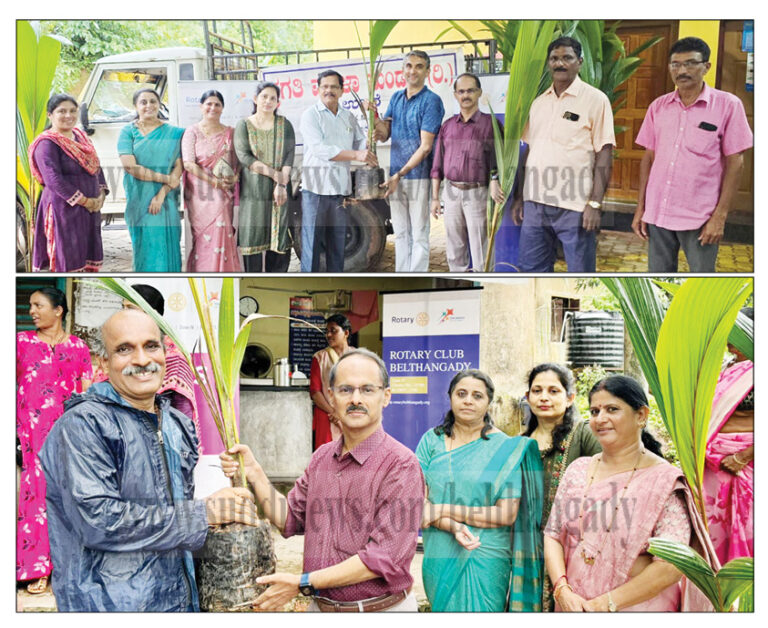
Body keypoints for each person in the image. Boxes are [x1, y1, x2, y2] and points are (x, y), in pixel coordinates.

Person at [39, 309, 257, 611]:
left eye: (151, 346)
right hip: (109, 604)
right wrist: (202, 514)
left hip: (178, 599)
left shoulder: (177, 423)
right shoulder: (83, 425)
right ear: (103, 362)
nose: (142, 360)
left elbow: (172, 509)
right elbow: (99, 523)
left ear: (165, 352)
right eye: (124, 349)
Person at [220, 348, 424, 612]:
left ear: (386, 396)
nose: (356, 399)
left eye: (367, 390)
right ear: (331, 396)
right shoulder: (322, 457)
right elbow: (288, 518)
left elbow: (382, 558)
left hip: (377, 611)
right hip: (320, 608)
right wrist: (256, 473)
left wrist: (303, 583)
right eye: (345, 390)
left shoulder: (401, 465)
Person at [544, 375, 717, 611]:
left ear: (641, 416)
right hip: (573, 605)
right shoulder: (579, 469)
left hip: (638, 608)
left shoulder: (664, 480)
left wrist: (604, 604)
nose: (600, 419)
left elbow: (671, 565)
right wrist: (562, 590)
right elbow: (553, 534)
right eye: (594, 411)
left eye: (612, 409)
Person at [417, 370, 543, 612]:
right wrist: (451, 525)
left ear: (488, 403)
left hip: (485, 553)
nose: (468, 401)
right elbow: (418, 505)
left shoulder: (505, 449)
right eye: (461, 394)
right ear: (450, 397)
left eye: (477, 396)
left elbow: (505, 514)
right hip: (440, 551)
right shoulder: (430, 441)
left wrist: (441, 509)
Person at [632, 37, 753, 272]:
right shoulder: (658, 106)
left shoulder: (728, 105)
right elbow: (648, 158)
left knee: (702, 281)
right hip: (659, 213)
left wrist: (720, 216)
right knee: (658, 279)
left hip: (700, 217)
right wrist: (641, 208)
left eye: (690, 63)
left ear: (706, 67)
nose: (682, 70)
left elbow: (736, 163)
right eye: (675, 64)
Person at [513, 36, 615, 272]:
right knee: (531, 270)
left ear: (579, 62)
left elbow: (605, 151)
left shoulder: (595, 100)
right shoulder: (538, 103)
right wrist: (520, 196)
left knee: (580, 271)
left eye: (567, 58)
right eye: (554, 59)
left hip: (575, 205)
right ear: (549, 63)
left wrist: (595, 203)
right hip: (535, 203)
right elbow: (529, 149)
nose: (560, 63)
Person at [17, 287, 93, 594]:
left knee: (69, 500)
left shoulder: (78, 347)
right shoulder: (20, 343)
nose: (32, 311)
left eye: (38, 305)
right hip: (33, 437)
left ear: (58, 310)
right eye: (30, 305)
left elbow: (86, 393)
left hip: (69, 437)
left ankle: (69, 567)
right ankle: (37, 569)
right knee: (35, 498)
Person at [522, 363, 601, 610]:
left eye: (553, 391)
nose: (544, 397)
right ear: (528, 397)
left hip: (574, 546)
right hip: (528, 547)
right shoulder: (520, 443)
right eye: (537, 391)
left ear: (570, 398)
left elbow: (612, 480)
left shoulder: (584, 433)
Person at [372, 50, 445, 272]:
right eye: (409, 66)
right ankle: (402, 274)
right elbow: (384, 134)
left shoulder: (431, 101)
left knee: (419, 233)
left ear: (427, 71)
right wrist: (374, 116)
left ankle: (417, 275)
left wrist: (399, 174)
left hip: (417, 177)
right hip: (397, 176)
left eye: (419, 66)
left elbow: (426, 147)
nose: (413, 70)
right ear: (403, 70)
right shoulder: (396, 97)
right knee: (401, 233)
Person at [300, 70, 376, 272]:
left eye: (334, 87)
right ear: (318, 90)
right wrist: (355, 155)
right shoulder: (310, 116)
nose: (329, 90)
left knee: (337, 246)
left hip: (339, 191)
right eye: (325, 86)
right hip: (315, 190)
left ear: (341, 91)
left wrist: (371, 121)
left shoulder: (348, 117)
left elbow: (361, 143)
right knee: (312, 246)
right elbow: (320, 149)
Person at [430, 74, 505, 272]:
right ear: (455, 95)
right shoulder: (447, 126)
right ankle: (459, 283)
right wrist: (435, 197)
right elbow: (437, 164)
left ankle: (483, 285)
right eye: (461, 91)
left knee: (481, 249)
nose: (466, 95)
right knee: (455, 248)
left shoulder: (490, 124)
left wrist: (495, 179)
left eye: (470, 90)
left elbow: (500, 160)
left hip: (478, 193)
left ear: (479, 92)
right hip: (451, 192)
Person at [28, 94, 107, 272]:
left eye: (72, 111)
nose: (68, 115)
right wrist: (86, 201)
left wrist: (100, 197)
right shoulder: (47, 143)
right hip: (63, 209)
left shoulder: (81, 137)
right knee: (67, 255)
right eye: (61, 111)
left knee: (87, 253)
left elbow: (96, 166)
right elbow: (53, 180)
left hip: (90, 210)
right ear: (50, 115)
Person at [703, 307, 753, 563]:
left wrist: (743, 457)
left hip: (743, 465)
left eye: (738, 335)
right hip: (712, 465)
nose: (731, 343)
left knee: (748, 534)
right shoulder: (724, 365)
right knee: (711, 536)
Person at [118, 88, 185, 272]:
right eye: (143, 102)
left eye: (153, 101)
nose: (149, 106)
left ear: (159, 104)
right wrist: (166, 178)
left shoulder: (175, 133)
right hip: (139, 198)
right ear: (136, 106)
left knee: (167, 243)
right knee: (144, 245)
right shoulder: (128, 132)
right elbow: (130, 166)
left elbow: (179, 166)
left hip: (166, 198)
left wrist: (162, 193)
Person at [234, 82, 296, 272]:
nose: (268, 101)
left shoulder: (284, 124)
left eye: (273, 98)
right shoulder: (244, 125)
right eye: (264, 97)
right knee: (253, 234)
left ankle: (277, 276)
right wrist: (275, 175)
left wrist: (281, 183)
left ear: (278, 102)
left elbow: (288, 156)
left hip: (281, 189)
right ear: (255, 99)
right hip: (253, 189)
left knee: (279, 238)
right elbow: (244, 156)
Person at [182, 90, 241, 272]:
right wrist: (213, 182)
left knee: (223, 228)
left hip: (225, 190)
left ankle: (225, 273)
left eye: (217, 104)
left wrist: (235, 176)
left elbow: (238, 161)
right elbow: (189, 164)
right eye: (209, 104)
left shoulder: (231, 132)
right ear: (201, 107)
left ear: (222, 109)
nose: (212, 108)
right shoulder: (192, 132)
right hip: (200, 192)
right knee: (205, 235)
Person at [309, 314, 354, 450]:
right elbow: (315, 392)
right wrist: (333, 412)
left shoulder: (358, 357)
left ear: (346, 333)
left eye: (333, 330)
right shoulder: (320, 358)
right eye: (327, 331)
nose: (328, 335)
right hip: (327, 416)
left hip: (351, 414)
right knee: (327, 456)